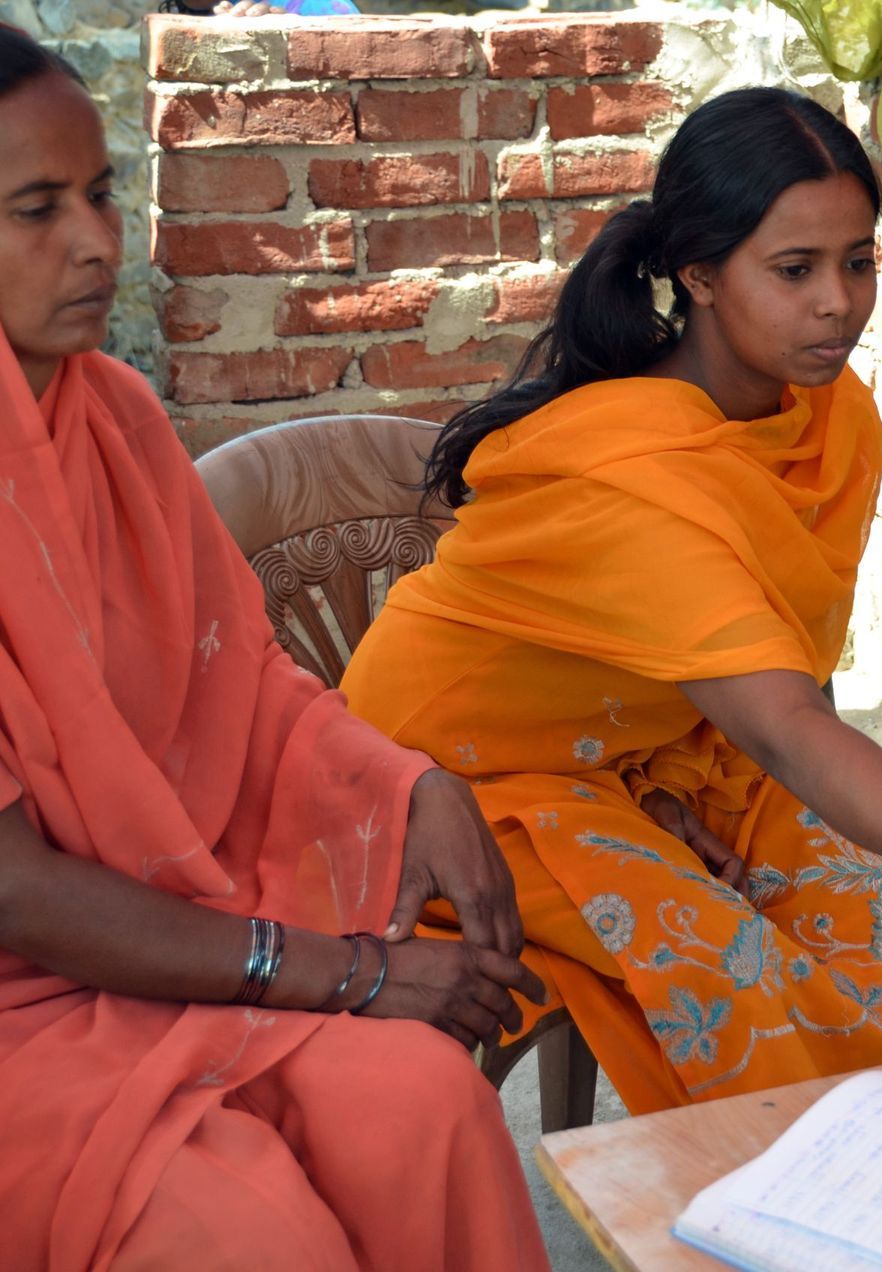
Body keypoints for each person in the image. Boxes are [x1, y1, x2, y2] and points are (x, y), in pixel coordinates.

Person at [340, 87, 882, 1114]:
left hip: (670, 752)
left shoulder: (828, 416)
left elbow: (783, 693)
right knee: (739, 974)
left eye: (859, 261)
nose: (839, 303)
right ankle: (775, 1215)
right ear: (699, 275)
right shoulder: (638, 476)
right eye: (794, 271)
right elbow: (791, 726)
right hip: (462, 788)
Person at [0, 28, 549, 1270]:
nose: (95, 242)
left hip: (165, 951)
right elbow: (15, 887)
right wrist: (341, 971)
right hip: (28, 1012)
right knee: (254, 1239)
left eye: (98, 194)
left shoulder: (118, 421)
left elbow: (241, 678)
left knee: (429, 1112)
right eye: (36, 209)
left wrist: (414, 783)